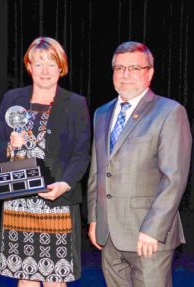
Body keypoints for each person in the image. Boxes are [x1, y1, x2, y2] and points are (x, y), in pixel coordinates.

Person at [87, 41, 192, 286]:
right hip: (109, 234)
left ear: (149, 73)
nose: (125, 75)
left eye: (134, 68)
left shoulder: (169, 112)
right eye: (119, 68)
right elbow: (97, 172)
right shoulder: (102, 113)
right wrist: (94, 218)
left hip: (147, 236)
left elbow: (173, 179)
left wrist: (153, 229)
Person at [0, 37, 91, 286]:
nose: (45, 71)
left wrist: (65, 184)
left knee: (56, 279)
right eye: (38, 64)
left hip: (57, 200)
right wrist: (9, 146)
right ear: (29, 66)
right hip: (19, 201)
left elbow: (81, 154)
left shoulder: (76, 104)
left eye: (51, 64)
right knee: (25, 277)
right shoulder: (12, 99)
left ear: (61, 67)